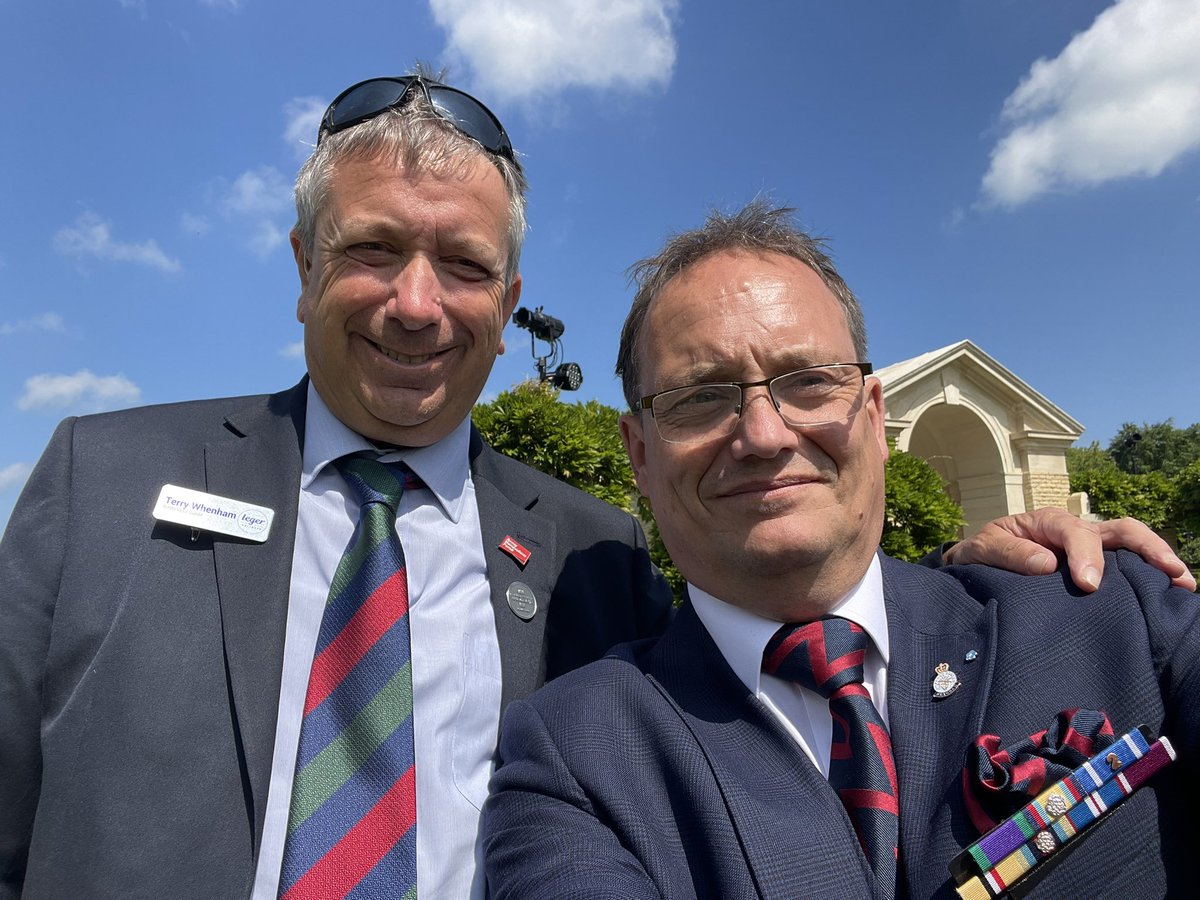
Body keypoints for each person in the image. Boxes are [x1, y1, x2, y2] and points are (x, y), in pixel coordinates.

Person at [0, 77, 1183, 899]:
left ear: (509, 302)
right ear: (304, 264)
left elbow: (785, 648)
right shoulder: (104, 478)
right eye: (372, 250)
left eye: (464, 264)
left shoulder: (592, 551)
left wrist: (966, 582)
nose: (417, 304)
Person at [482, 200, 1200, 899]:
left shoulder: (1115, 606)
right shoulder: (570, 759)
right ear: (640, 454)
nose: (764, 436)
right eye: (700, 397)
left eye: (809, 382)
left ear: (874, 416)